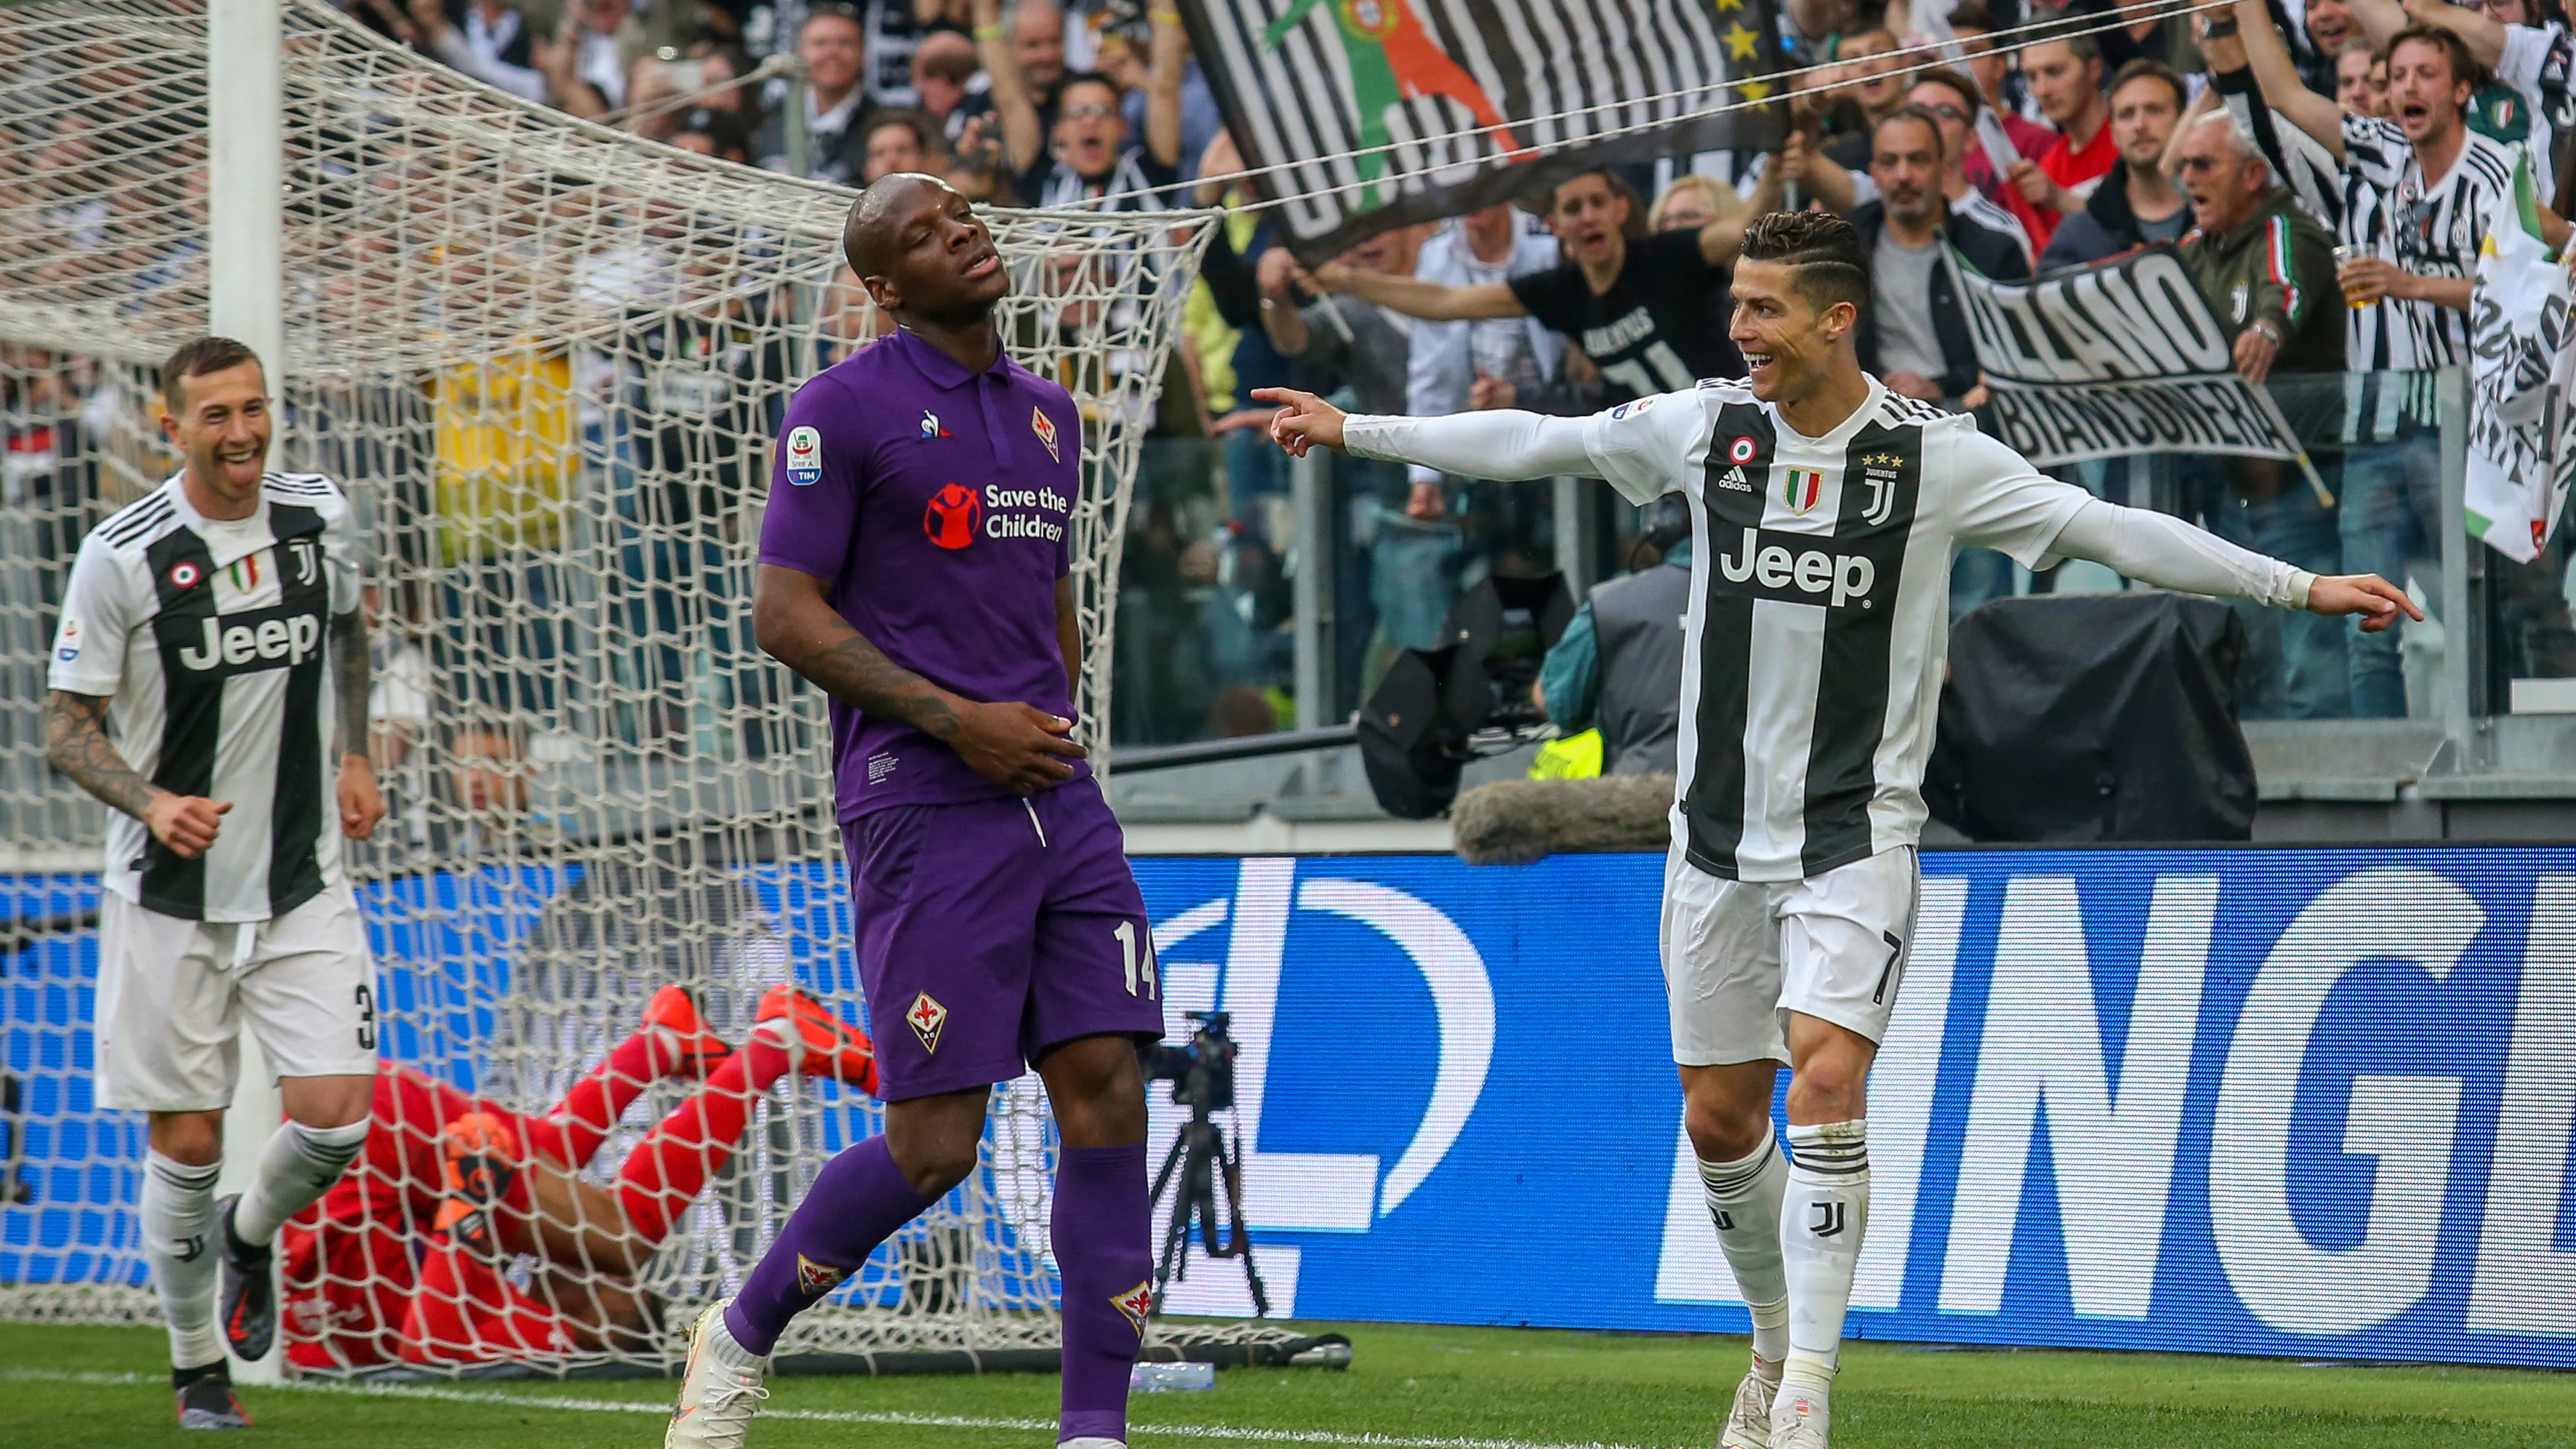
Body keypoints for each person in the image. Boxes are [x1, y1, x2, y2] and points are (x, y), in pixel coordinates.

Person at [1254, 209, 2416, 1449]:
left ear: (1833, 318)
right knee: (1716, 1117)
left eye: (1762, 308)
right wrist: (1356, 429)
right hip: (1709, 841)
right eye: (1736, 305)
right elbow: (1538, 440)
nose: (1737, 328)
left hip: (1852, 834)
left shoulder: (1933, 456)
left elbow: (2108, 530)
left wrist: (2297, 584)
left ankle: (1806, 1385)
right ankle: (1766, 1343)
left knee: (1824, 1077)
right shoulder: (1707, 430)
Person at [667, 172, 1163, 1449]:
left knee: (1106, 1082)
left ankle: (1092, 1431)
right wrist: (958, 720)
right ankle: (737, 1333)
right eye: (930, 233)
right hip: (924, 801)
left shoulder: (1051, 415)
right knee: (935, 1142)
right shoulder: (840, 410)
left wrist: (1042, 717)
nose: (967, 233)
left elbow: (1046, 595)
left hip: (1055, 797)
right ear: (886, 287)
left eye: (967, 215)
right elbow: (783, 613)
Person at [44, 337, 385, 1429]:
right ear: (168, 425)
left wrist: (356, 753)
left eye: (255, 408)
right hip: (169, 894)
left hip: (299, 878)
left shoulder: (318, 513)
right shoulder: (120, 554)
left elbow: (348, 630)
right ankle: (197, 1367)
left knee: (335, 1123)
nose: (243, 433)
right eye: (217, 416)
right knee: (186, 1140)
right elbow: (66, 724)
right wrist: (149, 802)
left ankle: (246, 1235)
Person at [2228, 5, 2569, 713]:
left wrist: (2410, 285)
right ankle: (2388, 761)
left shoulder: (2499, 170)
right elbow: (2286, 96)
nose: (2407, 86)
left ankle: (2491, 747)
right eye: (2397, 75)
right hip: (2377, 427)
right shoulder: (2377, 148)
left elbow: (2534, 283)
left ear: (2461, 91)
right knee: (2367, 617)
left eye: (2426, 74)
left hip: (2470, 432)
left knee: (2481, 608)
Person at [283, 982, 877, 1368]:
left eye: (595, 1281)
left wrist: (467, 1191)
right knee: (606, 1219)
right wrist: (468, 1198)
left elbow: (428, 1340)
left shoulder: (539, 1330)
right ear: (600, 1334)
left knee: (598, 1210)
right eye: (597, 1278)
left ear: (594, 1330)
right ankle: (739, 1043)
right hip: (359, 1138)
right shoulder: (541, 1330)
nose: (575, 1264)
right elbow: (433, 1333)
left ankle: (714, 1040)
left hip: (358, 1143)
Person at [1308, 166, 1783, 405]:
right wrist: (1345, 279)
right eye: (1573, 209)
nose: (1588, 216)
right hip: (1672, 455)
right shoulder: (1563, 291)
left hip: (1741, 419)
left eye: (1597, 203)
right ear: (1556, 226)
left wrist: (1777, 166)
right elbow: (1446, 301)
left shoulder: (1666, 255)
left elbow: (1744, 224)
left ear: (1620, 210)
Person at [2173, 108, 2356, 717]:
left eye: (2203, 164)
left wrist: (2268, 329)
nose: (2187, 177)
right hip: (2228, 486)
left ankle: (2329, 781)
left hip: (2302, 480)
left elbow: (2286, 291)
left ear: (2253, 173)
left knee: (2309, 656)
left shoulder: (2287, 227)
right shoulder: (2191, 248)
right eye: (2183, 166)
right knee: (2246, 654)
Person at [1850, 108, 2030, 407]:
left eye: (1918, 160)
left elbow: (2017, 356)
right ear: (1874, 174)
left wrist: (1940, 387)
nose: (1903, 175)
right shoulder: (1848, 246)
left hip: (1966, 414)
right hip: (1868, 414)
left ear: (1943, 168)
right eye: (1889, 162)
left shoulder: (1993, 252)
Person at [2348, 0, 2570, 205]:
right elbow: (2406, 18)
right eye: (2471, 6)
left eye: (2500, 2)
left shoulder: (2555, 63)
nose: (2484, 16)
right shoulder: (2440, 84)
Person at [1538, 497, 1690, 776]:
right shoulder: (1773, 602)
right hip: (1746, 798)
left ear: (1662, 530)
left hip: (1635, 797)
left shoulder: (1607, 603)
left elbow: (1560, 705)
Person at [982, 0, 1182, 207]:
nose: (1090, 121)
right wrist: (983, 9)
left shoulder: (1150, 174)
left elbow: (1165, 88)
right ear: (1058, 131)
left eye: (1102, 111)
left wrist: (1163, 5)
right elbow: (1008, 96)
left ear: (1122, 126)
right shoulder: (1044, 180)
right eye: (1077, 113)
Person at [2037, 60, 2193, 268]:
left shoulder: (2222, 217)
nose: (2140, 125)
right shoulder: (2078, 238)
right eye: (2127, 114)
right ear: (2113, 133)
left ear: (2184, 122)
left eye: (2154, 110)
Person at [2011, 28, 2118, 250]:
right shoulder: (2048, 167)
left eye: (2055, 72)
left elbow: (2143, 226)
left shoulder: (2133, 137)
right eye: (2032, 77)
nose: (2043, 90)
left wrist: (2060, 200)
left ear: (2094, 69)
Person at [755, 4, 880, 185]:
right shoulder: (768, 118)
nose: (832, 53)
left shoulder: (882, 127)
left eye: (844, 43)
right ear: (800, 53)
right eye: (820, 43)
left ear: (863, 55)